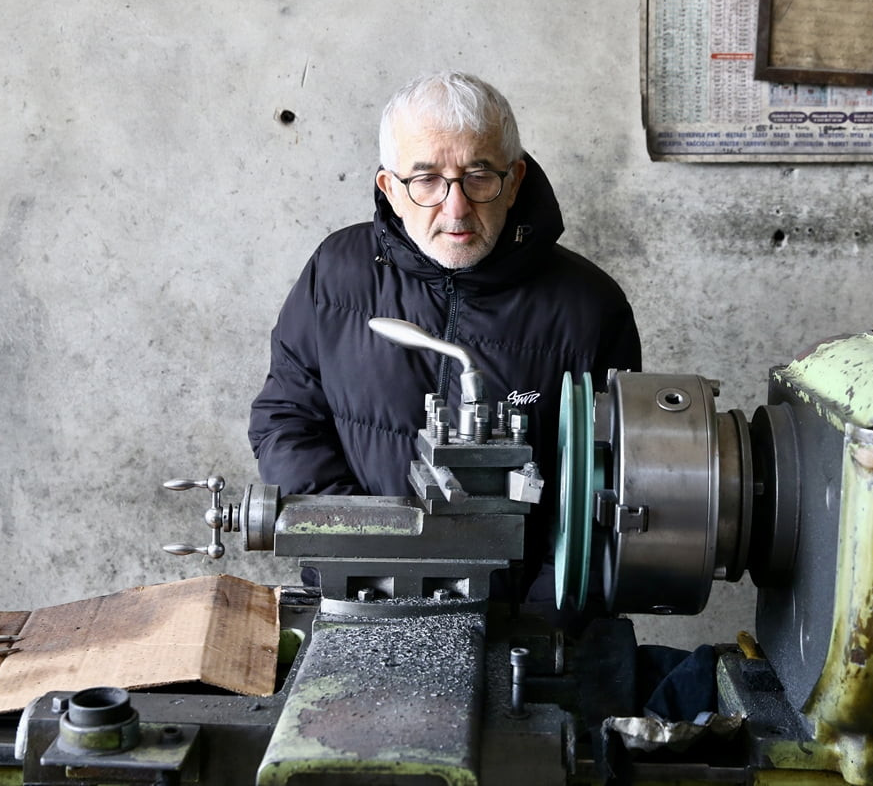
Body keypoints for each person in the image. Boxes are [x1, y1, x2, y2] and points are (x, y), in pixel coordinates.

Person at [248, 71, 641, 604]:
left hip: (522, 620)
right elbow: (286, 419)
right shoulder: (336, 274)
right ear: (391, 187)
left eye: (478, 176)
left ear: (515, 179)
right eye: (427, 179)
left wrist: (544, 618)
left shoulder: (589, 306)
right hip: (358, 599)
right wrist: (364, 552)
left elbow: (612, 486)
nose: (455, 208)